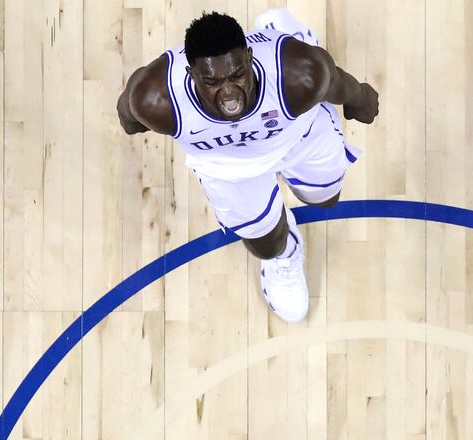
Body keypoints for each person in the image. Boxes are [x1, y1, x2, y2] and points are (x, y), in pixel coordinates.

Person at [116, 9, 379, 322]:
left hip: (297, 137)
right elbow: (128, 115)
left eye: (236, 75)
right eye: (211, 81)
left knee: (324, 200)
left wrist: (359, 97)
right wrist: (138, 122)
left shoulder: (299, 74)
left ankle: (289, 35)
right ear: (191, 74)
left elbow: (336, 82)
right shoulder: (157, 97)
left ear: (251, 59)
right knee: (266, 246)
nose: (228, 92)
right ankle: (285, 255)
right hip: (226, 165)